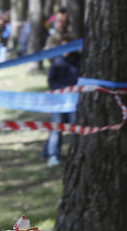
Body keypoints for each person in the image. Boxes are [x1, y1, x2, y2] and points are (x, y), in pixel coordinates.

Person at [42, 37, 80, 167]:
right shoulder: (57, 61)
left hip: (75, 100)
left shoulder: (79, 61)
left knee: (76, 126)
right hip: (59, 100)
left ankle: (76, 153)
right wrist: (61, 90)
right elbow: (51, 81)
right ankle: (52, 154)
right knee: (56, 127)